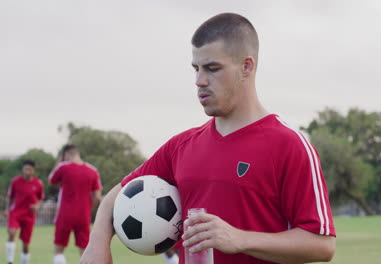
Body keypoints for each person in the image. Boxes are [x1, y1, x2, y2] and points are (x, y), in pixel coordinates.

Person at [80, 13, 336, 264]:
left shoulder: (289, 146)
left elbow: (322, 245)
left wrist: (239, 239)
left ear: (246, 66)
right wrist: (97, 245)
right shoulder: (181, 147)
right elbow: (119, 194)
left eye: (213, 69)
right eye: (196, 69)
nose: (199, 81)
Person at [48, 144, 102, 264]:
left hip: (64, 214)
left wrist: (58, 162)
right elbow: (97, 197)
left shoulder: (63, 167)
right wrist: (89, 208)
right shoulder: (93, 170)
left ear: (66, 155)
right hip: (83, 215)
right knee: (85, 251)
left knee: (59, 250)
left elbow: (51, 180)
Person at [4, 159, 44, 264]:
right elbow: (10, 197)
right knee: (12, 232)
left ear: (33, 170)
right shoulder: (15, 181)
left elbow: (40, 199)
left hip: (29, 215)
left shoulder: (38, 184)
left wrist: (37, 206)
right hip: (16, 212)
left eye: (29, 170)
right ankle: (10, 261)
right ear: (22, 169)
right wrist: (7, 209)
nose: (27, 172)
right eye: (25, 169)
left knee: (26, 244)